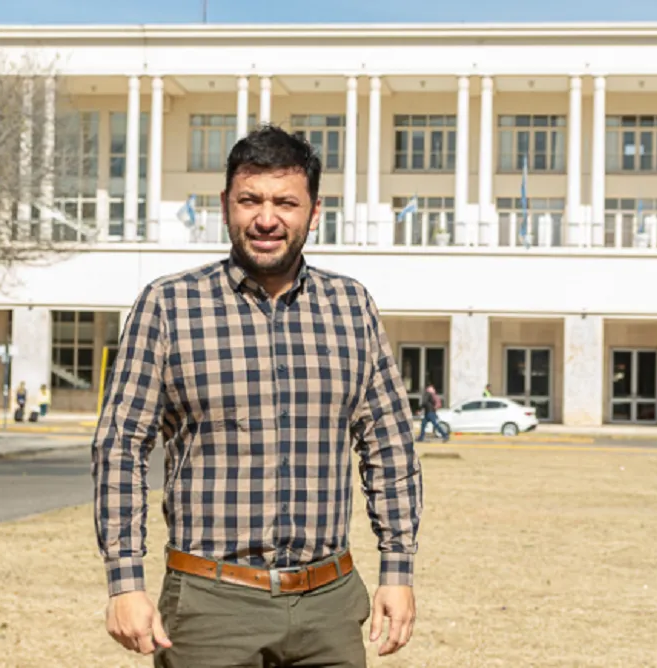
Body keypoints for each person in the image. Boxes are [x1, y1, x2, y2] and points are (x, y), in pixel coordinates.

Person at [92, 124, 422, 668]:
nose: (267, 218)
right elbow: (120, 447)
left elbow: (389, 443)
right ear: (226, 205)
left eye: (286, 202)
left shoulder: (352, 306)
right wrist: (124, 582)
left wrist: (398, 567)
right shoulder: (169, 306)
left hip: (330, 606)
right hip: (210, 606)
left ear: (314, 212)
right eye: (250, 200)